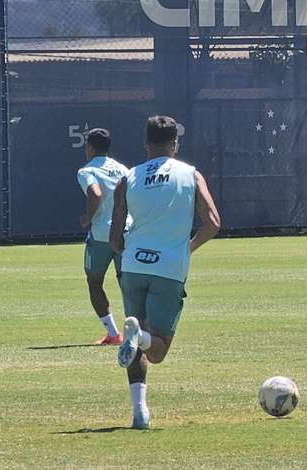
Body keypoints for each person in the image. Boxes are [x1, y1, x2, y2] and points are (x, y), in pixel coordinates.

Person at [110, 115, 221, 429]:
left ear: (146, 143)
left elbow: (114, 239)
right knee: (155, 349)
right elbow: (213, 223)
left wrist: (129, 252)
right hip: (169, 268)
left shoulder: (128, 178)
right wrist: (188, 247)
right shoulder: (191, 174)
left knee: (136, 342)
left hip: (133, 267)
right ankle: (140, 336)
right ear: (175, 143)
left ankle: (139, 412)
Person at [77, 128, 131, 346]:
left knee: (94, 281)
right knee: (127, 284)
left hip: (100, 235)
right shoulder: (123, 169)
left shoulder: (86, 170)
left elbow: (95, 193)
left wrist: (88, 217)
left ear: (89, 147)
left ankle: (113, 333)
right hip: (126, 231)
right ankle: (136, 332)